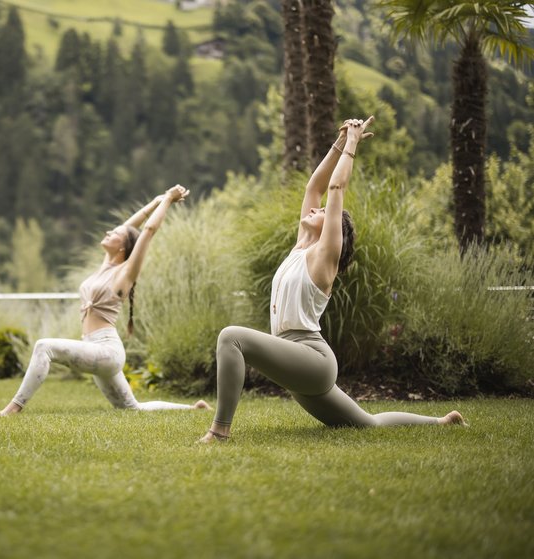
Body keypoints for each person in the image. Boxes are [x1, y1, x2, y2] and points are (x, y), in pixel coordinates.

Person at [199, 117, 465, 442]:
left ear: (334, 230)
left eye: (323, 211)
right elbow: (316, 187)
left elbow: (336, 188)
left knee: (231, 337)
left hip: (311, 359)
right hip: (295, 359)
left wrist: (353, 144)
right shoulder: (302, 246)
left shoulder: (324, 256)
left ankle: (219, 432)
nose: (316, 208)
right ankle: (441, 422)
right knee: (368, 424)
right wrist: (339, 141)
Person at [0, 185, 212, 416]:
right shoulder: (106, 267)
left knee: (44, 346)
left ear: (122, 247)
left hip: (106, 350)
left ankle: (13, 408)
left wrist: (168, 200)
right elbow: (129, 229)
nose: (108, 233)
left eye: (114, 234)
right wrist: (155, 202)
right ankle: (195, 408)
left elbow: (147, 231)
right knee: (132, 408)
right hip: (93, 346)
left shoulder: (125, 272)